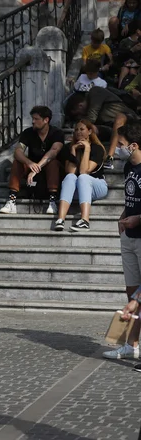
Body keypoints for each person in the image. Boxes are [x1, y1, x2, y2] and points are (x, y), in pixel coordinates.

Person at [106, 120, 141, 364]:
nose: (117, 149)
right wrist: (123, 216)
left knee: (138, 297)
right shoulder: (128, 167)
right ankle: (131, 344)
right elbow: (131, 197)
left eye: (120, 145)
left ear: (134, 145)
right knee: (132, 292)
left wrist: (137, 218)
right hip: (128, 236)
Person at [0, 106, 65, 215]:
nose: (33, 121)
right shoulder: (28, 132)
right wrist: (29, 163)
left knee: (53, 163)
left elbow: (54, 151)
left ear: (46, 120)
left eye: (36, 119)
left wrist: (37, 167)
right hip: (32, 167)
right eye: (32, 119)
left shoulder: (57, 133)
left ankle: (52, 201)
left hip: (50, 170)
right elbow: (18, 151)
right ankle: (11, 200)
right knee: (17, 162)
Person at [53, 120, 108, 232]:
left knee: (83, 177)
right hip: (77, 190)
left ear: (90, 131)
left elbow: (84, 171)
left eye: (82, 129)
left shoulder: (97, 148)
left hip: (97, 187)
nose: (78, 132)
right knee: (70, 177)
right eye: (76, 130)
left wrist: (87, 149)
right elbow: (70, 171)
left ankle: (85, 221)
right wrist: (73, 150)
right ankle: (60, 219)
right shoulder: (68, 148)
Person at [65, 87, 139, 169]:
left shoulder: (94, 91)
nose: (79, 117)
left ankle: (110, 157)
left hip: (130, 122)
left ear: (80, 106)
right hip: (112, 130)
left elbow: (92, 117)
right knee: (91, 128)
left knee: (119, 117)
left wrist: (81, 125)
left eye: (78, 114)